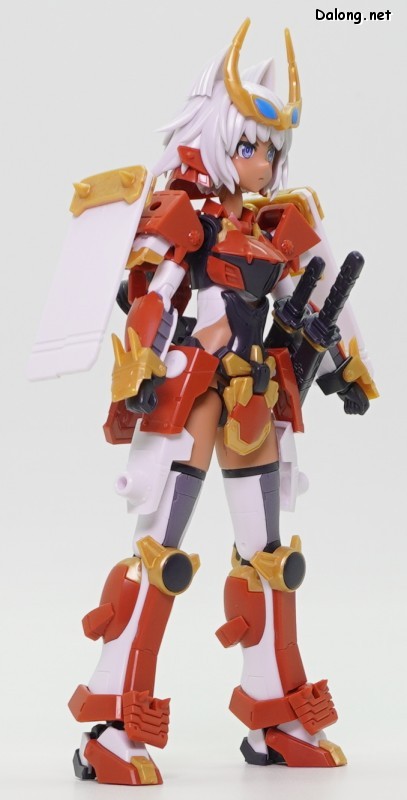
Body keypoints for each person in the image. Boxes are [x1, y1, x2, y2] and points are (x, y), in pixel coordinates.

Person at [29, 18, 377, 786]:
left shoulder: (276, 221)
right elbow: (149, 295)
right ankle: (113, 726)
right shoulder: (181, 212)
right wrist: (144, 363)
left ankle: (273, 715)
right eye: (251, 145)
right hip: (190, 396)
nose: (264, 163)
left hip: (254, 398)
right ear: (219, 137)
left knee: (270, 560)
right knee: (161, 559)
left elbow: (312, 293)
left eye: (274, 151)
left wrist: (343, 368)